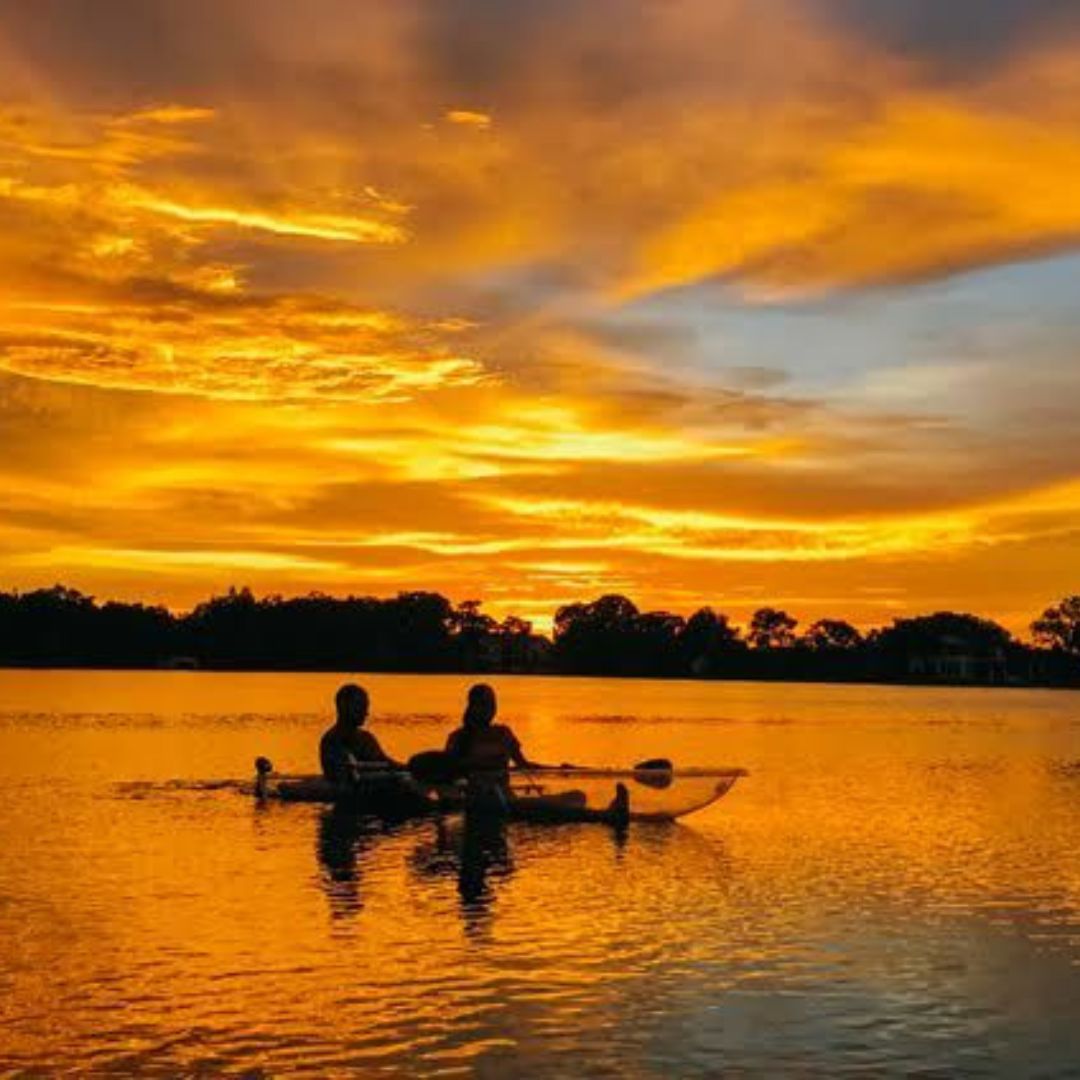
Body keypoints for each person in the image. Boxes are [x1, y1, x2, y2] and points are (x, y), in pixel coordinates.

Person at [319, 683, 399, 784]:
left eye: (366, 707)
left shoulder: (366, 738)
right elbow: (346, 776)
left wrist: (409, 768)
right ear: (344, 707)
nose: (366, 713)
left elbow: (386, 762)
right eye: (361, 707)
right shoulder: (332, 740)